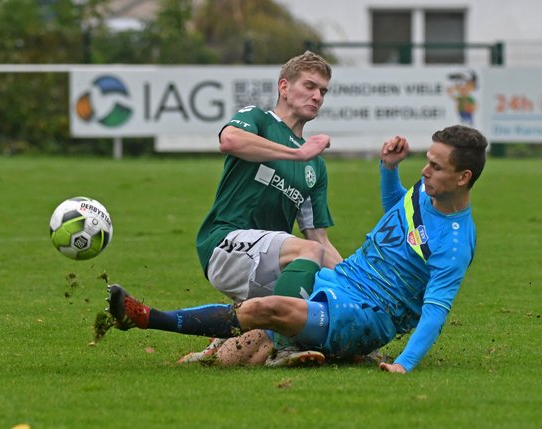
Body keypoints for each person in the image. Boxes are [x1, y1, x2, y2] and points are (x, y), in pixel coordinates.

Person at [105, 125, 488, 373]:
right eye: (427, 162)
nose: (424, 171)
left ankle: (146, 318)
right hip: (342, 280)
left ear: (463, 177)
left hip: (368, 315)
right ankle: (245, 348)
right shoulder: (426, 191)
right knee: (260, 327)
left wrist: (404, 364)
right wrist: (389, 169)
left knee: (268, 310)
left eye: (436, 167)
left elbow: (436, 312)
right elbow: (400, 213)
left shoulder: (455, 243)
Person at [184, 51, 343, 363]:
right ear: (284, 87)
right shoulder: (258, 119)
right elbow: (229, 141)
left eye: (323, 91)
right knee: (307, 258)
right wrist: (296, 153)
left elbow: (320, 239)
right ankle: (285, 347)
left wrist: (358, 285)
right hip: (224, 241)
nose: (317, 96)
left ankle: (217, 350)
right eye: (309, 86)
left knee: (327, 301)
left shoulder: (315, 166)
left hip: (269, 262)